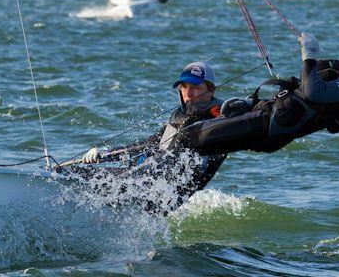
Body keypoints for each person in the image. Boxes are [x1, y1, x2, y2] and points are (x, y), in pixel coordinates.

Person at [178, 26, 339, 156]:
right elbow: (303, 84)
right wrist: (251, 103)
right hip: (266, 116)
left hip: (267, 127)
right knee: (196, 141)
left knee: (188, 137)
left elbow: (312, 93)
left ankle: (153, 180)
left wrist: (309, 54)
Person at [73, 62, 228, 213]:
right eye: (184, 87)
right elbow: (149, 145)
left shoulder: (217, 121)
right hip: (148, 179)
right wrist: (104, 154)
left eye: (195, 87)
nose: (188, 93)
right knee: (79, 173)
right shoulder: (180, 116)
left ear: (211, 91)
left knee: (96, 180)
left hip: (164, 196)